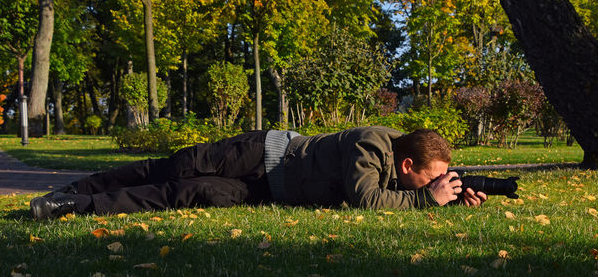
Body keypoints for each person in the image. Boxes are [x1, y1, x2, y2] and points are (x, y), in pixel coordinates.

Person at [29, 126, 487, 220]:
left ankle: (74, 206)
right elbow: (365, 198)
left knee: (181, 193)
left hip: (268, 190)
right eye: (431, 178)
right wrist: (426, 199)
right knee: (171, 166)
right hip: (257, 153)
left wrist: (457, 195)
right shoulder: (371, 144)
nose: (434, 185)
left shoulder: (404, 170)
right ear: (407, 164)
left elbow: (399, 191)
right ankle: (79, 187)